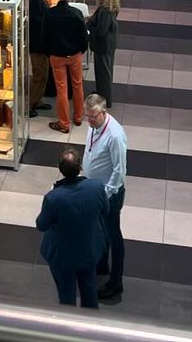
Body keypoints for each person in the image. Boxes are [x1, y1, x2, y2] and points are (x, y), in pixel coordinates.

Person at [35, 148, 107, 309]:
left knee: (66, 295)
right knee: (89, 289)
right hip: (89, 248)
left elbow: (41, 224)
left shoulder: (54, 197)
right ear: (80, 166)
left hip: (62, 255)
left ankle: (68, 326)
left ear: (60, 170)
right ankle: (90, 323)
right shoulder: (96, 187)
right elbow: (105, 210)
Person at [82, 94, 127, 302]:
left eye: (92, 117)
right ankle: (102, 264)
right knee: (101, 230)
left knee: (113, 233)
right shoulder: (93, 126)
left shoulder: (115, 136)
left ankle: (116, 281)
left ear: (103, 112)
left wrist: (105, 195)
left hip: (109, 194)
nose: (89, 121)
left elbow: (119, 171)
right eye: (87, 117)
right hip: (95, 189)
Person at [44, 0, 87, 134]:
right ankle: (79, 116)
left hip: (57, 56)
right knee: (77, 85)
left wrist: (49, 52)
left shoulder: (50, 14)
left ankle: (64, 123)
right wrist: (81, 50)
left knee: (61, 88)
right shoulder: (76, 13)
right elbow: (83, 35)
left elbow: (45, 36)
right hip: (74, 55)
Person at [87, 0, 119, 107]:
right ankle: (102, 94)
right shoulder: (109, 8)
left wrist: (90, 27)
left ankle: (105, 99)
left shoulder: (105, 11)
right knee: (104, 72)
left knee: (103, 74)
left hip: (103, 46)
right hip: (107, 45)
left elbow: (101, 31)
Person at [29, 0, 52, 117]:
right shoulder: (37, 1)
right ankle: (30, 104)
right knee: (39, 74)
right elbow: (38, 21)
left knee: (43, 74)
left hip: (41, 44)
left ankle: (37, 100)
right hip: (37, 45)